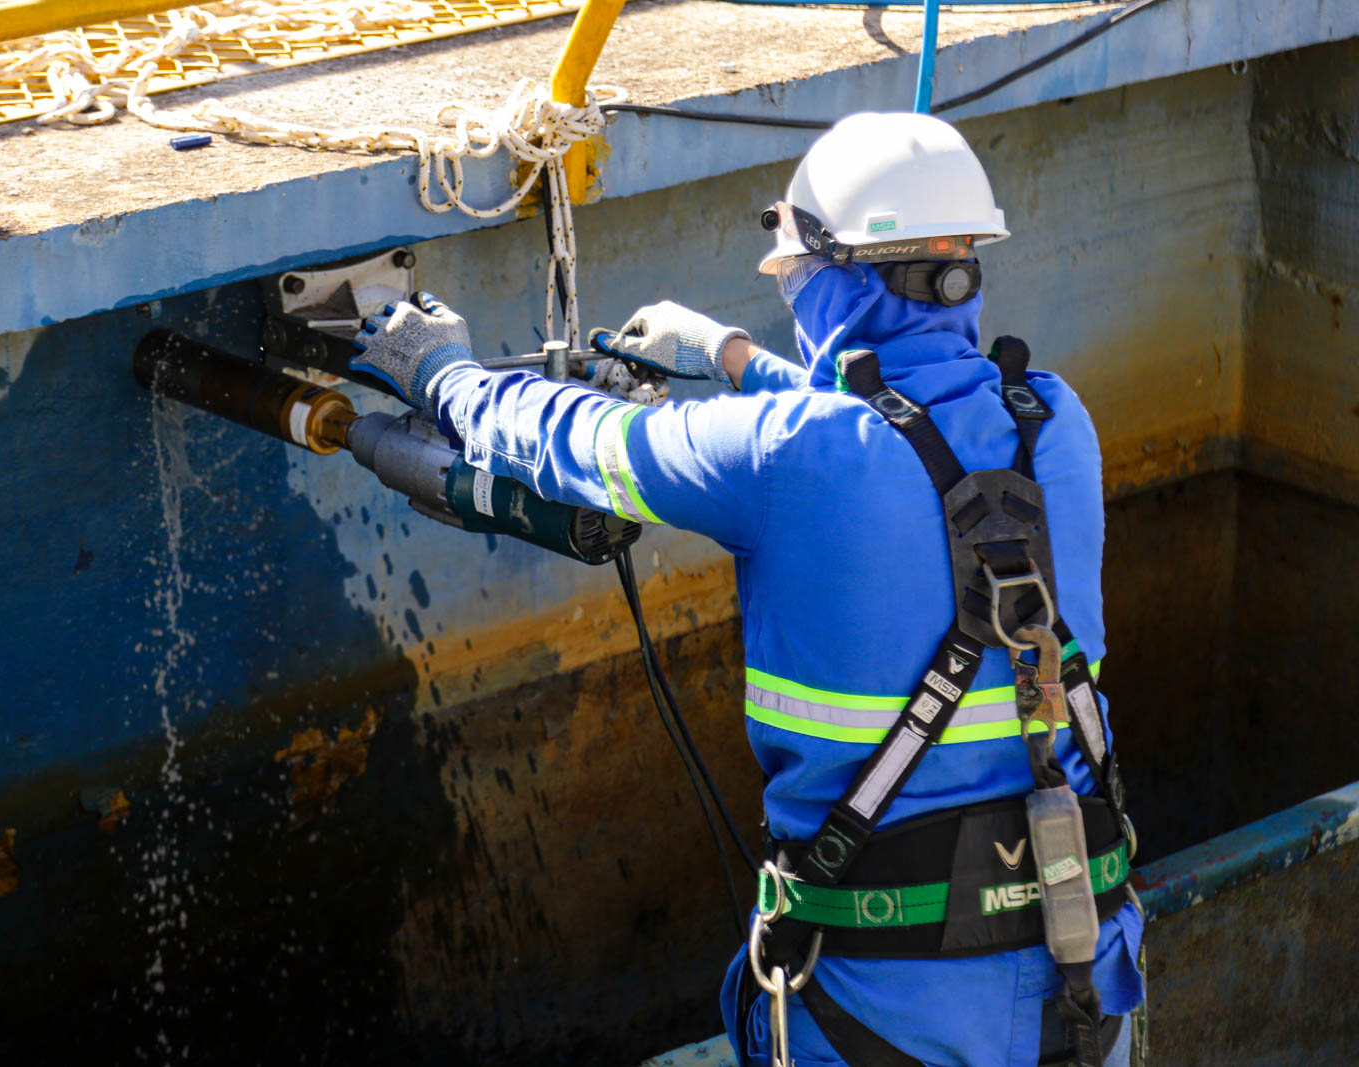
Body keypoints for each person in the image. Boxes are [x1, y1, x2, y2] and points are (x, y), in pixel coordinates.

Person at [351, 111, 1143, 1067]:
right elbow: (896, 437)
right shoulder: (1057, 421)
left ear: (838, 277)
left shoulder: (782, 456)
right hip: (1084, 997)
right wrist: (730, 355)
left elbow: (581, 442)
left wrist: (447, 375)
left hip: (881, 1019)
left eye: (799, 278)